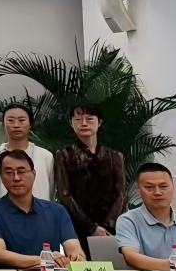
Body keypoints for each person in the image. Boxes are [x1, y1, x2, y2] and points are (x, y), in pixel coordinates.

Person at [0, 149, 86, 269]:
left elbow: (76, 251)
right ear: (1, 177)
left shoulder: (57, 211)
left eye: (21, 171)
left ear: (34, 174)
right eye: (9, 172)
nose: (16, 178)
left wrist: (74, 259)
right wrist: (45, 260)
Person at [52, 101, 126, 243]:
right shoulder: (64, 155)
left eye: (90, 118)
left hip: (110, 229)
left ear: (99, 122)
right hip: (76, 228)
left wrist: (107, 226)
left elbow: (121, 195)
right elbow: (65, 194)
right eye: (78, 119)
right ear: (71, 123)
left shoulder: (115, 156)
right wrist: (91, 227)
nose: (84, 123)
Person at [0, 103, 54, 201]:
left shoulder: (46, 156)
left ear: (30, 124)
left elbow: (51, 191)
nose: (16, 125)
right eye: (10, 120)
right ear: (4, 124)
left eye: (21, 120)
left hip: (40, 210)